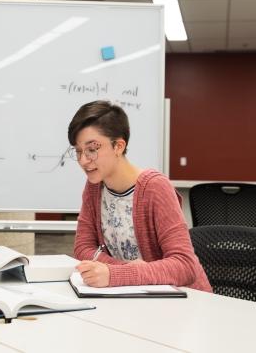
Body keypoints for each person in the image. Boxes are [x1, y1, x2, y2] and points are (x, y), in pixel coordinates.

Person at [69, 100, 211, 291]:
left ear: (118, 146)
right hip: (136, 296)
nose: (83, 160)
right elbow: (83, 248)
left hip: (185, 301)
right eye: (78, 151)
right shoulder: (95, 187)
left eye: (92, 149)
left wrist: (114, 274)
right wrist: (123, 272)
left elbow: (185, 266)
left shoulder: (155, 187)